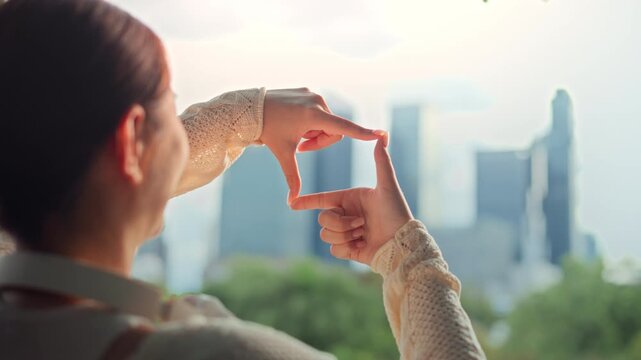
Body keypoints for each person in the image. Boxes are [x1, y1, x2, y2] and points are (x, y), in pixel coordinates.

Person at [0, 0, 486, 359]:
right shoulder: (220, 352)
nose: (180, 123)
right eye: (170, 106)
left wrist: (246, 117)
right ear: (131, 139)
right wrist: (408, 259)